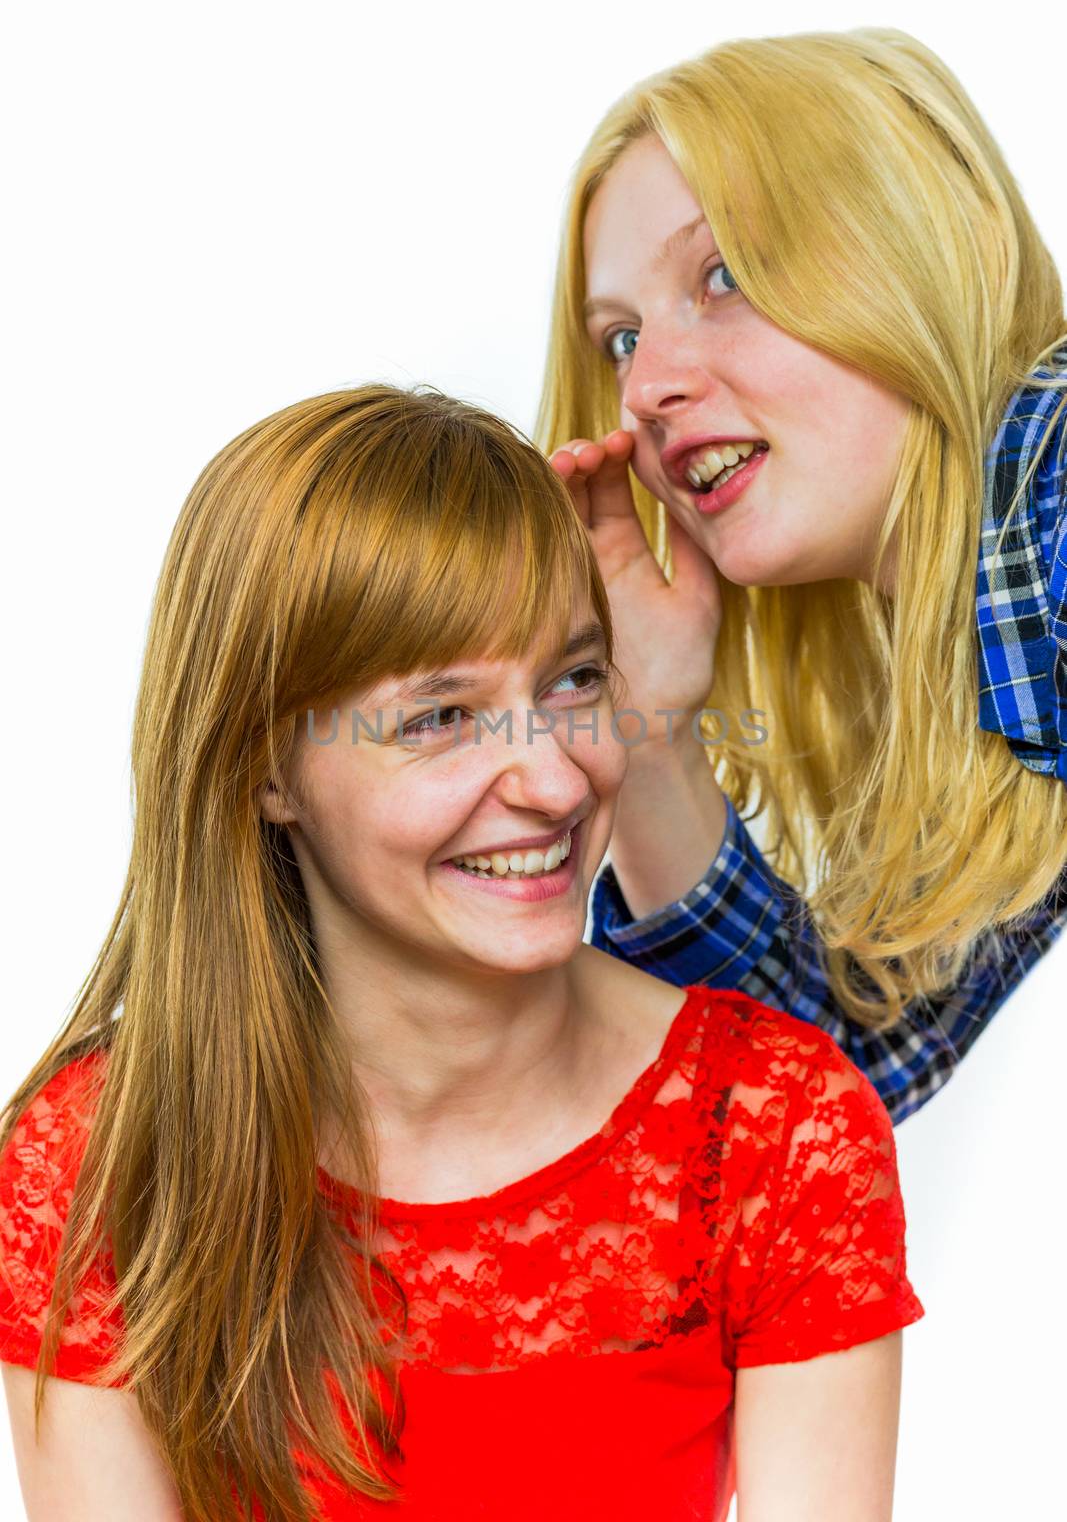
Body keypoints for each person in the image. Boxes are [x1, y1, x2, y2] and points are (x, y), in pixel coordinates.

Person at [0, 386, 921, 1520]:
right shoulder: (97, 1162)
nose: (549, 780)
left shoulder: (773, 1128)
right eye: (439, 717)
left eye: (573, 680)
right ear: (267, 770)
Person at [537, 27, 1067, 1125]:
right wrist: (642, 739)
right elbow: (825, 1084)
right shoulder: (999, 665)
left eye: (724, 274)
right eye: (622, 339)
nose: (645, 391)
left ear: (931, 242)